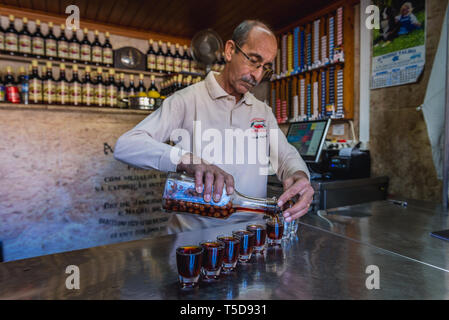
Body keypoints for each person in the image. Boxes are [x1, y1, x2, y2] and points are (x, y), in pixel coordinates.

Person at [114, 20, 314, 233]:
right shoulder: (186, 100)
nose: (257, 75)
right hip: (192, 240)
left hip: (249, 235)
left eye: (265, 68)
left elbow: (285, 157)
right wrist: (188, 161)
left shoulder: (261, 111)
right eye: (253, 61)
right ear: (229, 51)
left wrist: (299, 175)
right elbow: (126, 145)